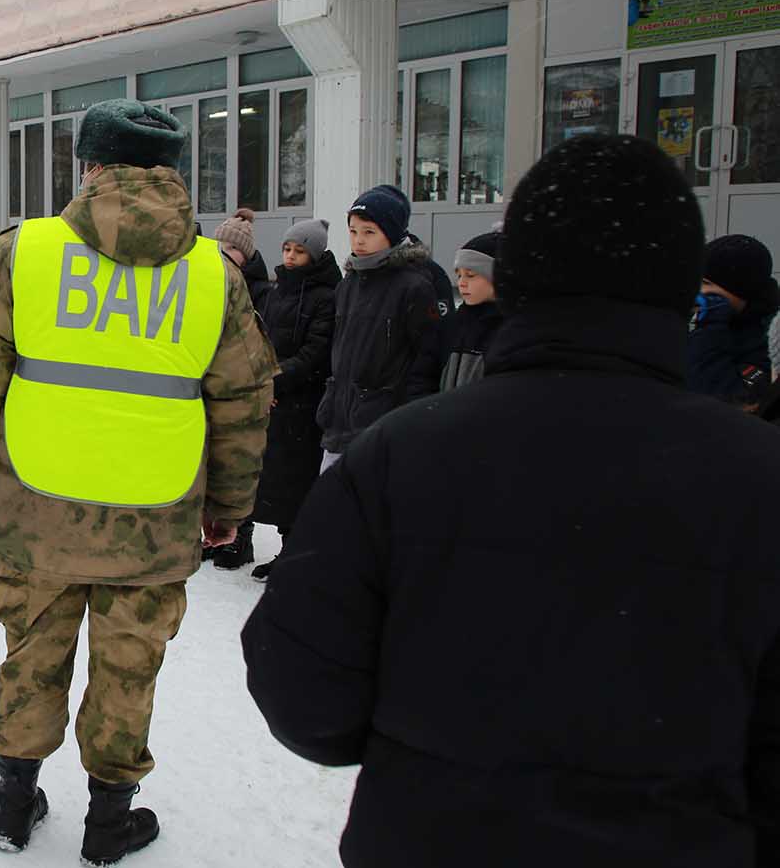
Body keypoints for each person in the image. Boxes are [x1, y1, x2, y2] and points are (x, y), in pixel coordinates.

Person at [242, 133, 780, 868]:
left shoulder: (403, 454)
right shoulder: (758, 477)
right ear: (678, 289)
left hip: (431, 837)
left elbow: (302, 689)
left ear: (519, 277)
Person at [0, 99, 275, 864]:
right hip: (153, 520)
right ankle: (107, 824)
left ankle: (14, 808)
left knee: (30, 656)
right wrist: (228, 507)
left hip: (35, 506)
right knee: (128, 671)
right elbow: (244, 399)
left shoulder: (25, 252)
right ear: (171, 172)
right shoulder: (210, 273)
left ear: (89, 167)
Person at [212, 219, 339, 577]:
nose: (292, 256)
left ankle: (293, 551)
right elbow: (257, 336)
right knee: (266, 475)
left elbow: (316, 351)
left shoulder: (325, 296)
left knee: (296, 482)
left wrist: (271, 379)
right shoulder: (275, 290)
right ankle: (244, 538)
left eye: (300, 251)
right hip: (271, 398)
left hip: (302, 402)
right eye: (287, 249)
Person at [316, 184, 442, 464]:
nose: (358, 240)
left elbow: (426, 360)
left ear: (393, 234)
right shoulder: (348, 284)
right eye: (353, 231)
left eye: (369, 232)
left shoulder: (413, 286)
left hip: (383, 424)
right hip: (338, 423)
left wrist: (411, 416)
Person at [688, 234, 779, 407]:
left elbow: (726, 400)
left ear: (740, 290)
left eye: (706, 283)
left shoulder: (771, 341)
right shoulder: (723, 323)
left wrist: (710, 326)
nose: (697, 291)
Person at [438, 230, 505, 391]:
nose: (461, 283)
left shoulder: (508, 329)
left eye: (471, 275)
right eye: (459, 275)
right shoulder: (456, 321)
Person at [212, 207, 271, 310]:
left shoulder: (262, 294)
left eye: (233, 248)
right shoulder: (208, 281)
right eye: (219, 246)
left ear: (246, 255)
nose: (224, 252)